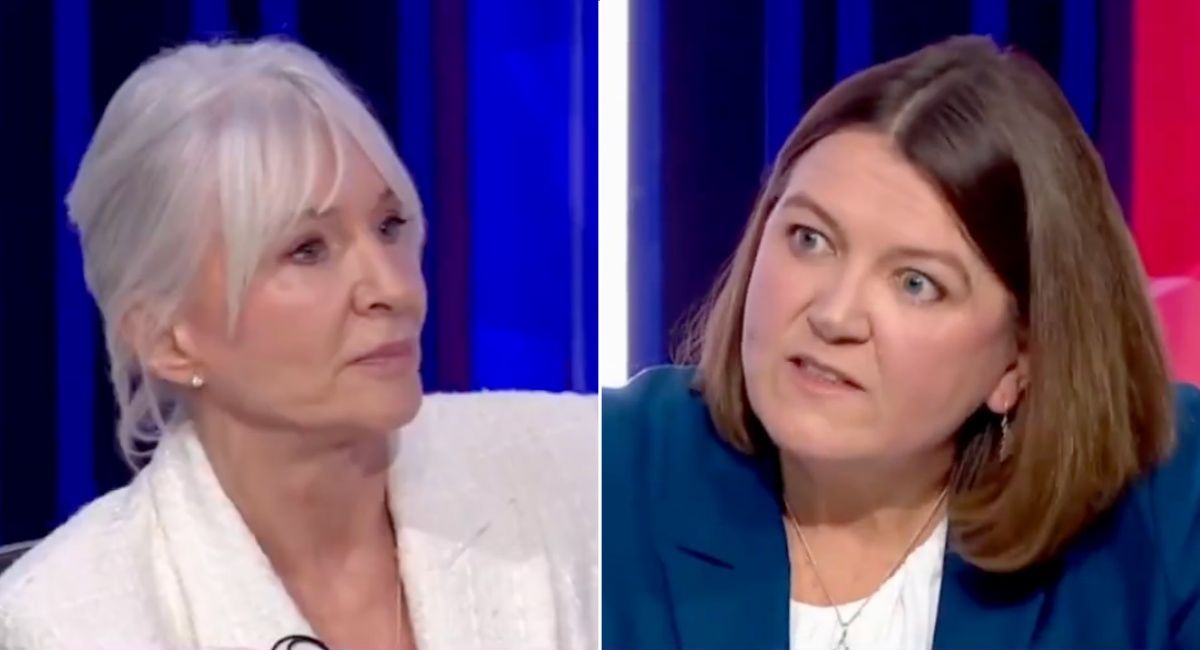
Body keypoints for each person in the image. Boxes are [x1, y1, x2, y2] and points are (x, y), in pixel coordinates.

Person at [602, 35, 1200, 650]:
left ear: (1020, 359)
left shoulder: (1167, 507)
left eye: (916, 283)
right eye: (810, 239)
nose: (834, 315)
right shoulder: (608, 471)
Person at [0, 38, 597, 650]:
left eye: (389, 226)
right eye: (308, 250)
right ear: (168, 339)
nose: (394, 289)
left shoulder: (566, 473)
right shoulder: (67, 623)